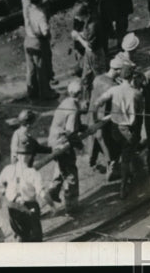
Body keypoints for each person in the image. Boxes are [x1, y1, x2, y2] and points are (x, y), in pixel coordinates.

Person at [94, 70, 147, 198]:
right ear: (131, 78)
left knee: (122, 150)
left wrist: (96, 118)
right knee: (127, 154)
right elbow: (140, 111)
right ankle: (124, 185)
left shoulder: (114, 90)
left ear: (121, 77)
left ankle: (116, 168)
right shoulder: (136, 94)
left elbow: (97, 102)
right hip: (128, 130)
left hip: (114, 129)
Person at [0, 134, 54, 242]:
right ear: (31, 156)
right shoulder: (33, 173)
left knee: (21, 235)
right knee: (36, 238)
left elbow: (0, 183)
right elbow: (43, 193)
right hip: (30, 208)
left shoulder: (8, 169)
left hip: (12, 207)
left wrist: (6, 192)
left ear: (17, 155)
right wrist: (52, 205)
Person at [48, 78, 85, 213]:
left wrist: (82, 128)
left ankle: (52, 192)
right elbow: (70, 131)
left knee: (61, 168)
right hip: (62, 143)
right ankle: (71, 206)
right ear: (80, 94)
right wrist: (80, 145)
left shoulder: (67, 102)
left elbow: (72, 124)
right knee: (70, 174)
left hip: (53, 140)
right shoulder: (73, 108)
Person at [88, 56, 124, 172]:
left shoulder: (98, 78)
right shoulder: (112, 87)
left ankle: (92, 161)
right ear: (117, 70)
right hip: (103, 119)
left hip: (93, 115)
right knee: (108, 143)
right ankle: (111, 167)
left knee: (93, 140)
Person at [70, 0, 105, 101]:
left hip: (95, 54)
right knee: (85, 78)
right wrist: (80, 34)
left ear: (82, 15)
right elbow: (87, 34)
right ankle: (86, 100)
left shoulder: (93, 25)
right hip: (89, 54)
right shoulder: (88, 21)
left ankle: (102, 99)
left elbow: (90, 46)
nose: (76, 19)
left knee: (100, 78)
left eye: (77, 16)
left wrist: (78, 37)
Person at [22, 0, 56, 102]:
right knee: (41, 69)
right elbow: (45, 32)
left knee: (30, 69)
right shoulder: (40, 15)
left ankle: (32, 92)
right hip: (37, 42)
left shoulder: (27, 7)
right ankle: (45, 93)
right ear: (41, 0)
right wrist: (47, 35)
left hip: (27, 41)